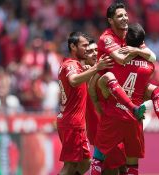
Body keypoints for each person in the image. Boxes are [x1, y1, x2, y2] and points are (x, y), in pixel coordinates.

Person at [90, 2, 159, 175]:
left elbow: (152, 55)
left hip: (123, 91)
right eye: (120, 16)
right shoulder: (106, 38)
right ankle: (135, 109)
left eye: (125, 14)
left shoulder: (131, 36)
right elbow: (121, 59)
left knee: (155, 90)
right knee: (108, 77)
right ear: (110, 21)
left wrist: (136, 49)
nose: (125, 18)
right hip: (103, 89)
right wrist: (139, 52)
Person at [56, 31, 113, 175]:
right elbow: (74, 80)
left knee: (85, 162)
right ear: (73, 47)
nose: (88, 49)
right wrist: (96, 67)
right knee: (70, 166)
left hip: (74, 123)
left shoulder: (75, 66)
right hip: (72, 123)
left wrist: (89, 69)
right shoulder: (70, 65)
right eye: (84, 45)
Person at [84, 38, 127, 175]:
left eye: (96, 50)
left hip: (113, 127)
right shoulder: (83, 73)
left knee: (121, 167)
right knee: (111, 169)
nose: (93, 53)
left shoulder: (110, 72)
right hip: (98, 130)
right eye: (89, 51)